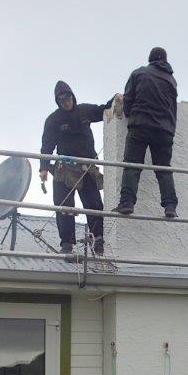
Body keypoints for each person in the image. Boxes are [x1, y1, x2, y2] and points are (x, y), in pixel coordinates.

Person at [39, 81, 116, 255]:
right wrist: (43, 168)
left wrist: (116, 98)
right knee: (64, 205)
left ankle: (99, 238)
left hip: (86, 167)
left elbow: (103, 109)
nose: (65, 103)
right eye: (61, 101)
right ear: (58, 102)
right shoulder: (53, 120)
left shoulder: (84, 111)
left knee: (93, 203)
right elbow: (47, 145)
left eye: (67, 98)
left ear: (72, 96)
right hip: (64, 168)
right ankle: (67, 243)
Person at [114, 47, 178, 218]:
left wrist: (128, 111)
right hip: (164, 131)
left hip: (140, 126)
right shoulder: (172, 80)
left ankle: (127, 202)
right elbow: (173, 107)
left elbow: (128, 101)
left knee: (132, 165)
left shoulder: (138, 74)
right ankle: (170, 206)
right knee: (163, 169)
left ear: (150, 59)